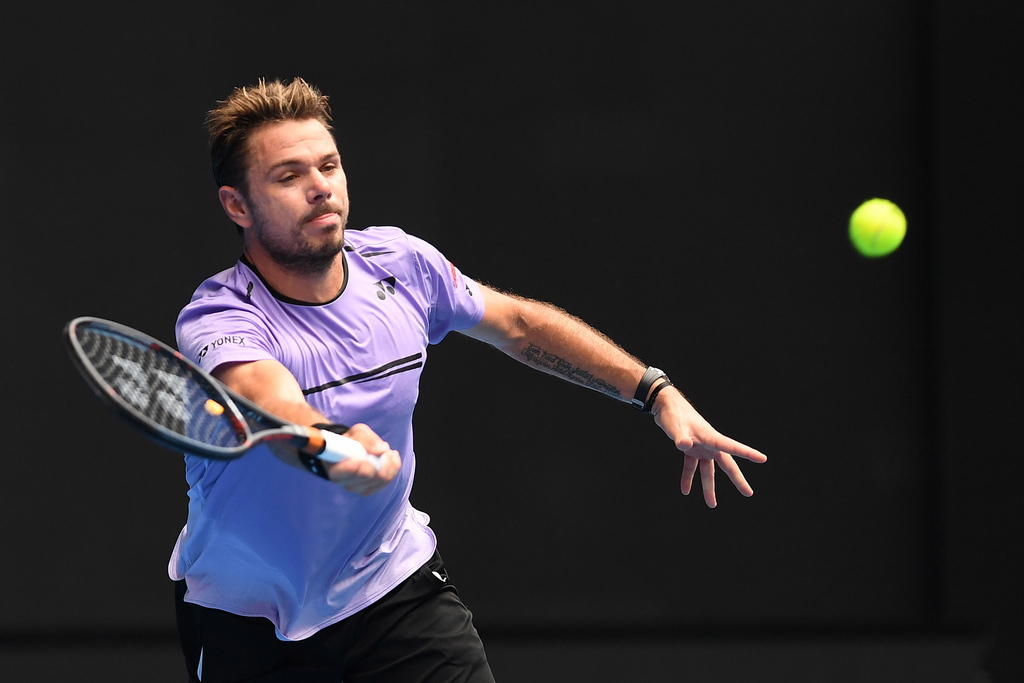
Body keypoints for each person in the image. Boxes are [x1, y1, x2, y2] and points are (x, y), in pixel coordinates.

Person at [170, 77, 767, 682]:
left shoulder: (401, 265)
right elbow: (269, 400)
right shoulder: (220, 315)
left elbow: (519, 324)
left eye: (329, 165)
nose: (320, 187)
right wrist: (334, 445)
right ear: (237, 205)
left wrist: (653, 391)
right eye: (289, 176)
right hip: (245, 621)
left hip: (391, 590)